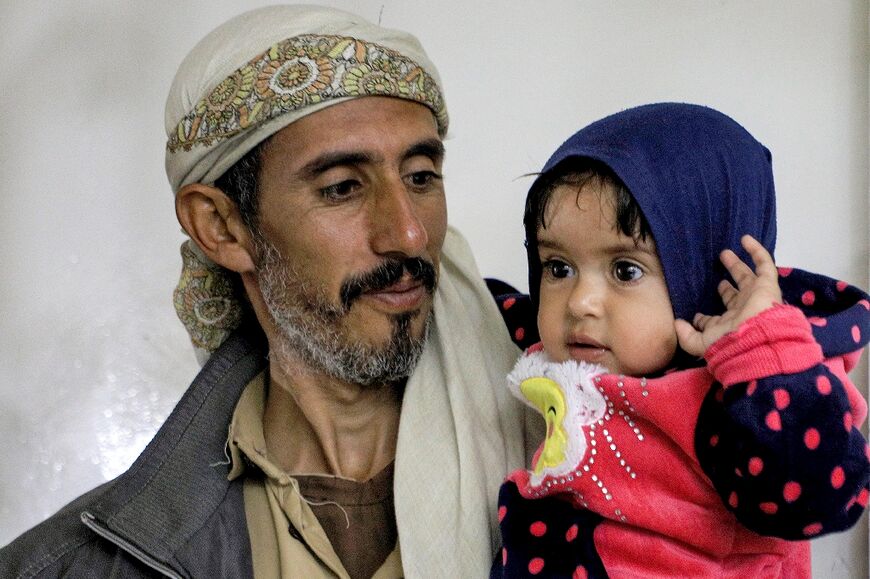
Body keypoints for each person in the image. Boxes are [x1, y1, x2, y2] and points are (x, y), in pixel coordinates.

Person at [0, 6, 537, 578]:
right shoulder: (71, 570)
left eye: (421, 176)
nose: (408, 233)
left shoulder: (587, 479)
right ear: (223, 226)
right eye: (343, 187)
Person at [491, 103, 870, 577]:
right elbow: (490, 312)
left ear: (706, 279)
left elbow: (821, 497)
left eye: (625, 270)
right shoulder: (578, 343)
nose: (579, 302)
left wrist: (765, 354)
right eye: (558, 268)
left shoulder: (738, 399)